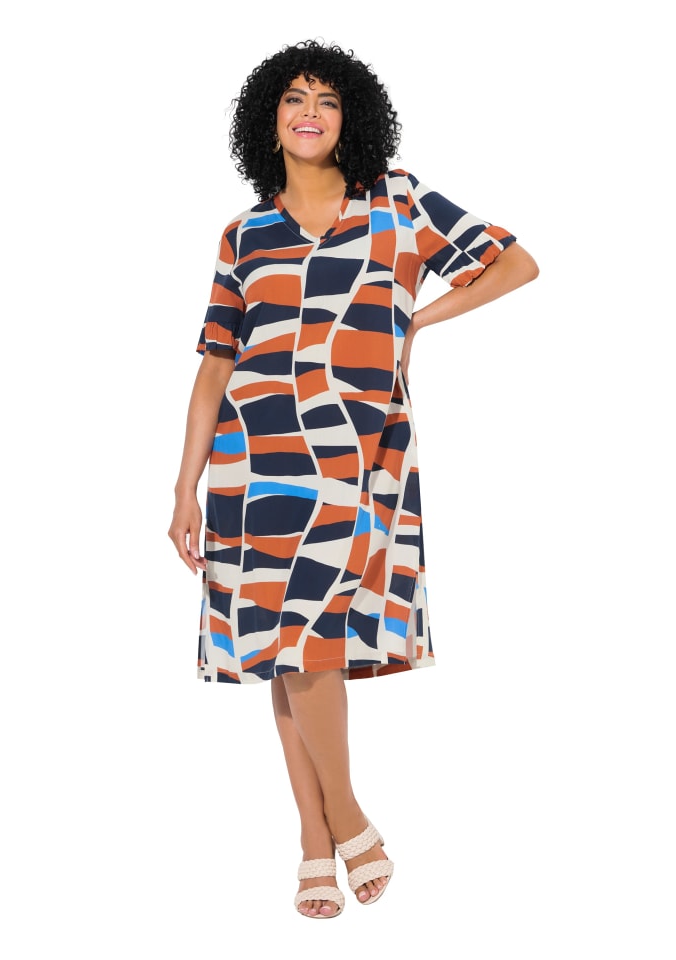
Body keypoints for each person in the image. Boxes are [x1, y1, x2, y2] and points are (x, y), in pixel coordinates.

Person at [168, 39, 538, 918]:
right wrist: (184, 489)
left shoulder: (395, 201)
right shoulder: (244, 234)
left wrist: (416, 320)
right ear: (269, 119)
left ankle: (333, 821)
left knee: (312, 641)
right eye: (294, 98)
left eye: (327, 101)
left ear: (351, 119)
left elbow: (515, 263)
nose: (310, 112)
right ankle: (325, 830)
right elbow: (215, 366)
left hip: (358, 458)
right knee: (289, 647)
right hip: (254, 464)